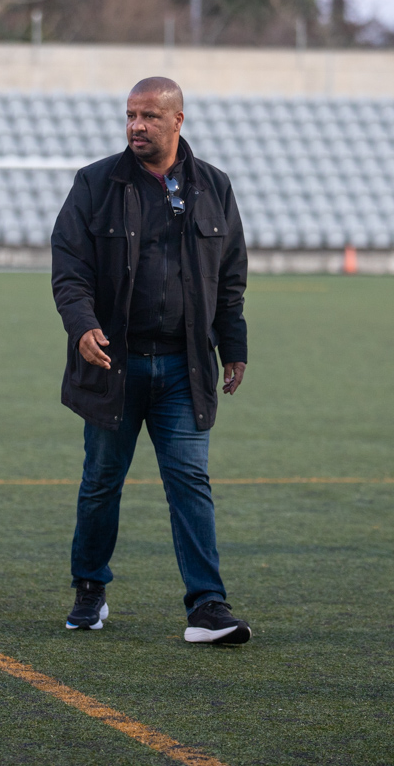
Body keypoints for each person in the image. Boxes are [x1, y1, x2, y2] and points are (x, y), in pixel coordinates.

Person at [51, 76, 250, 644]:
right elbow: (69, 268)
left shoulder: (214, 186)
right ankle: (90, 588)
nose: (137, 125)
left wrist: (232, 345)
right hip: (114, 366)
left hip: (185, 369)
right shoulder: (95, 183)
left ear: (178, 120)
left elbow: (230, 276)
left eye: (149, 116)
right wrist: (83, 324)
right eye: (131, 115)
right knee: (101, 482)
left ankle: (208, 606)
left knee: (190, 480)